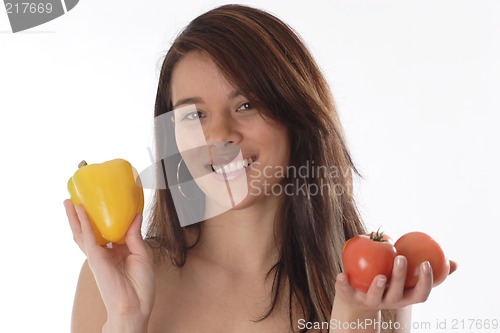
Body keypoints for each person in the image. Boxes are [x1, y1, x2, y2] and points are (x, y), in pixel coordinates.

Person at [64, 4, 456, 333]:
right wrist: (126, 320)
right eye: (193, 114)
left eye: (246, 105)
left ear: (296, 115)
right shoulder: (114, 282)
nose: (219, 134)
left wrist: (355, 320)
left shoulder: (371, 285)